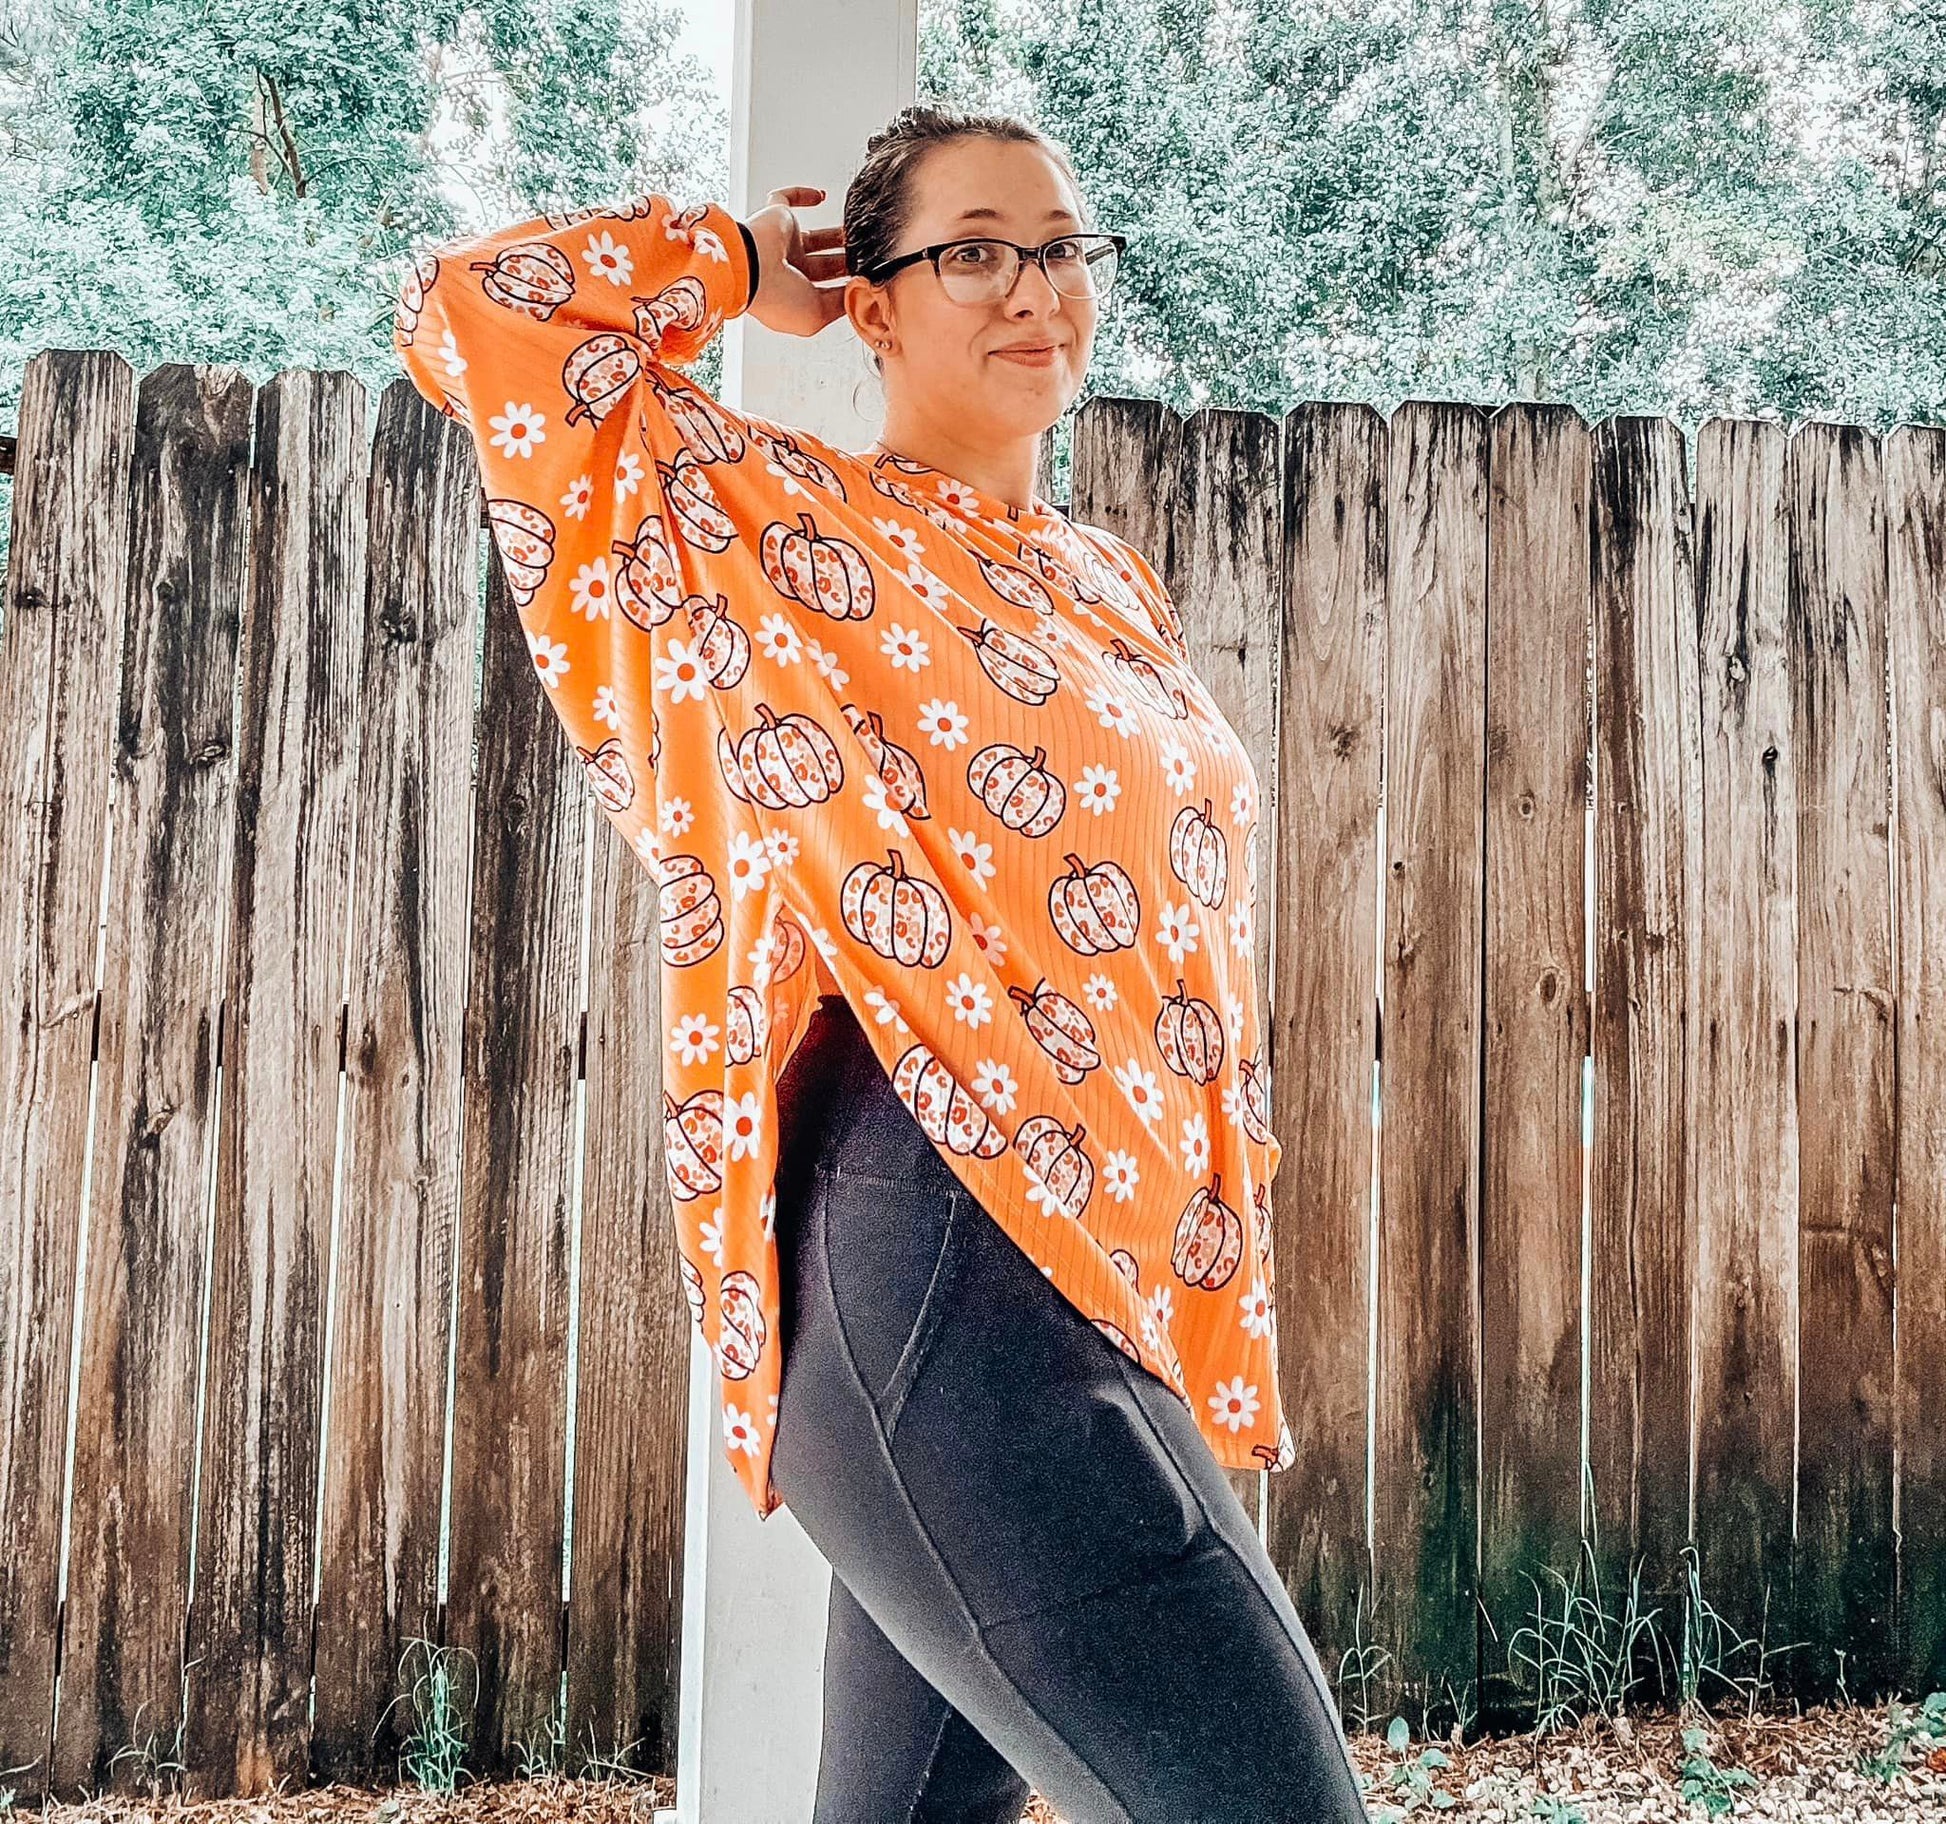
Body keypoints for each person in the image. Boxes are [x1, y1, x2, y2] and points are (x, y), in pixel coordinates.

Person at [395, 100, 1368, 1824]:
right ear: (873, 297)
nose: (1032, 289)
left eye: (1057, 247)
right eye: (971, 252)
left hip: (1094, 1274)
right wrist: (735, 262)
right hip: (939, 1259)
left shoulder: (1102, 583)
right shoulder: (771, 520)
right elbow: (485, 313)